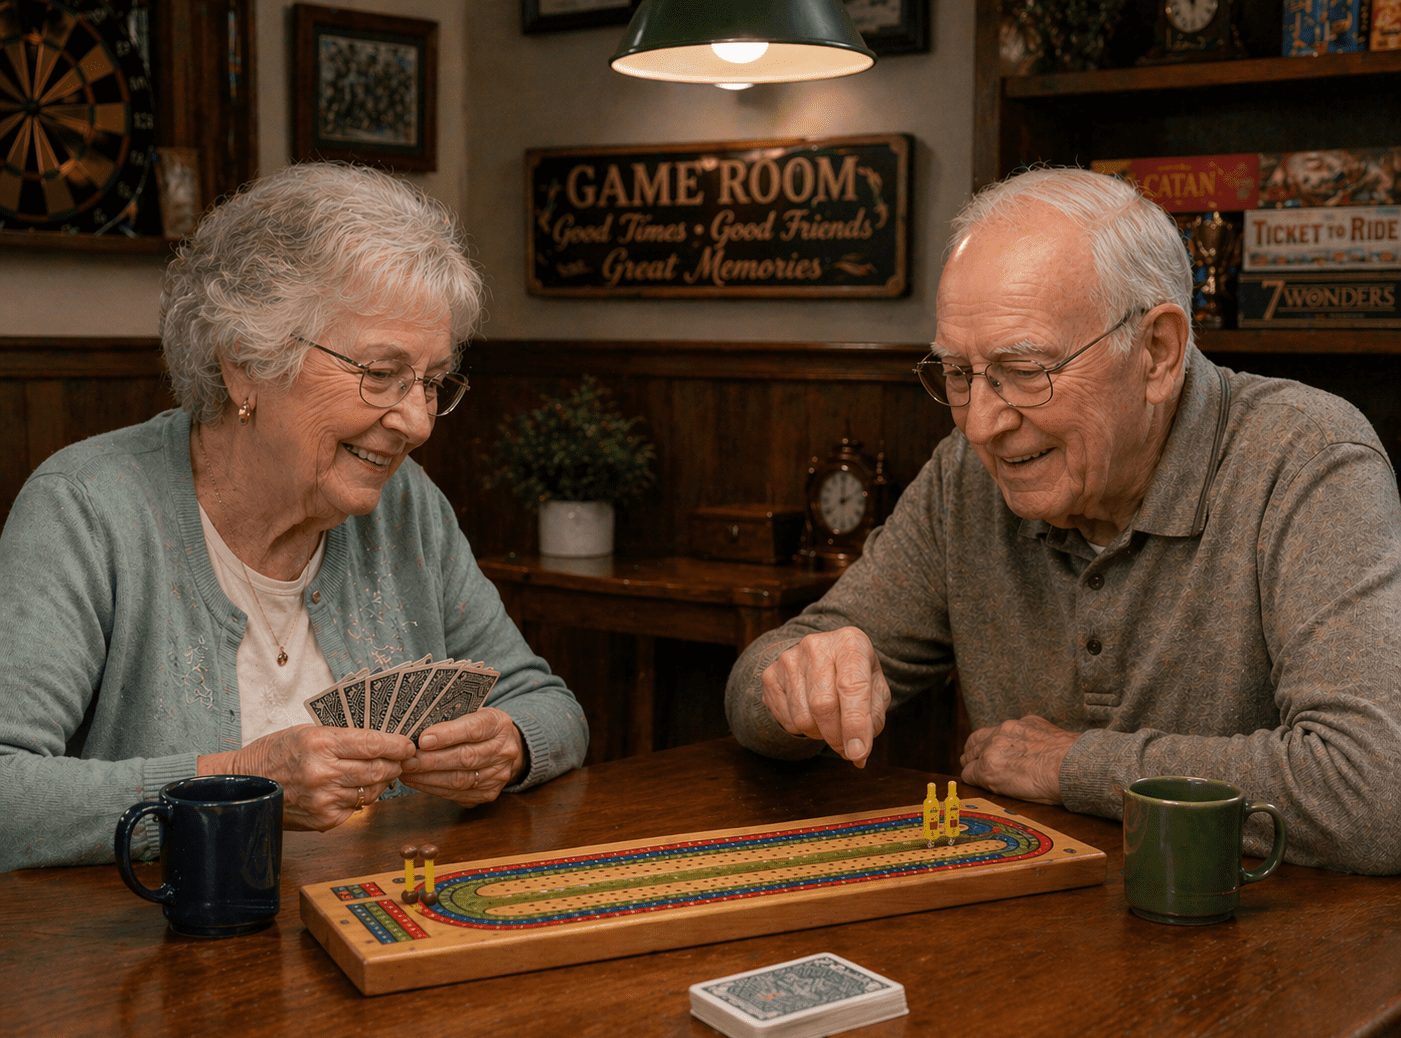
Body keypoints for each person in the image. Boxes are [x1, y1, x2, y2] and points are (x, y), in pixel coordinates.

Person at [726, 167, 1401, 876]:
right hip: (1037, 934)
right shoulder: (967, 476)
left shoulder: (1308, 458)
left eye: (1024, 370)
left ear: (1156, 352)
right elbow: (752, 693)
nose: (982, 424)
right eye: (957, 374)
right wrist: (793, 682)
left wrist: (1076, 765)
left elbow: (1374, 790)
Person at [0, 163, 588, 871]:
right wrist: (235, 786)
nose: (417, 421)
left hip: (384, 932)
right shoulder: (87, 508)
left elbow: (549, 705)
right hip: (161, 959)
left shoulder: (406, 506)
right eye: (381, 373)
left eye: (431, 383)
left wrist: (509, 744)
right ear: (247, 360)